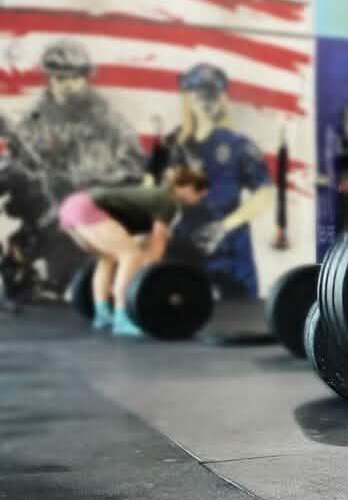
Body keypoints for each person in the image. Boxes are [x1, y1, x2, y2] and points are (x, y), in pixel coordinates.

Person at [57, 167, 210, 336]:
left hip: (70, 208)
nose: (199, 201)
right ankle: (122, 318)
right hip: (86, 207)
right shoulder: (169, 202)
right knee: (130, 255)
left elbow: (148, 240)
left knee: (108, 257)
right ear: (187, 188)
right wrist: (147, 279)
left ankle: (102, 315)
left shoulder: (156, 196)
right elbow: (158, 243)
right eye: (199, 195)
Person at [168, 64, 273, 298]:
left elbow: (265, 193)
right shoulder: (175, 145)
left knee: (240, 317)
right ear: (187, 97)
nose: (205, 101)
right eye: (197, 93)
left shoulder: (238, 145)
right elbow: (157, 190)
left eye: (211, 94)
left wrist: (224, 227)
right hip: (185, 246)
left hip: (231, 250)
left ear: (222, 98)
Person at [15, 39, 145, 203]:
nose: (68, 85)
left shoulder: (110, 122)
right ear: (49, 80)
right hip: (47, 211)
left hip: (99, 207)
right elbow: (18, 168)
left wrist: (95, 181)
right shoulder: (33, 123)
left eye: (75, 78)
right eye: (60, 79)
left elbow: (135, 169)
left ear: (86, 79)